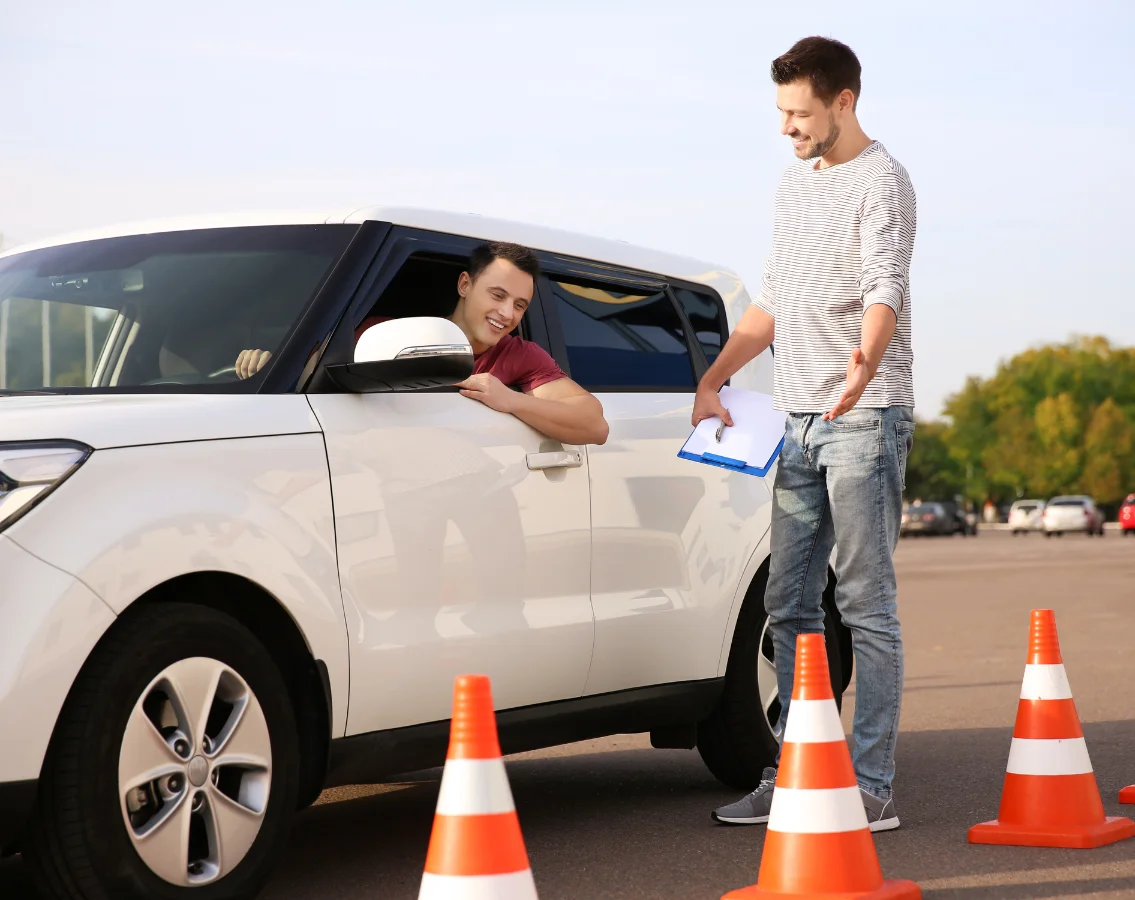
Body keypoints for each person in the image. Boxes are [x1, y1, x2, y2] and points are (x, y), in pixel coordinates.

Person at [696, 36, 916, 831]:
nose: (788, 127)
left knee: (864, 601)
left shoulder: (883, 181)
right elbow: (774, 299)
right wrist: (716, 375)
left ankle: (871, 785)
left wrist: (866, 364)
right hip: (795, 421)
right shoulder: (793, 186)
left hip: (865, 416)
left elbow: (885, 285)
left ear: (843, 102)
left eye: (799, 112)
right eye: (782, 112)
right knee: (788, 601)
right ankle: (795, 772)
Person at [237, 241, 609, 446]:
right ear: (465, 285)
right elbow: (314, 371)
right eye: (497, 295)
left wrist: (509, 399)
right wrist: (268, 361)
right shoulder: (385, 334)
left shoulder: (519, 354)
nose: (506, 313)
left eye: (519, 305)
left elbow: (594, 425)